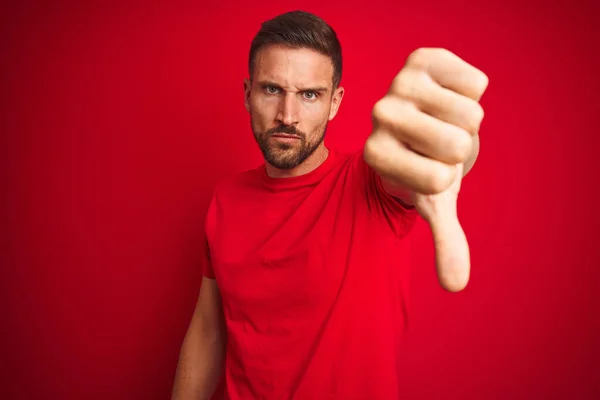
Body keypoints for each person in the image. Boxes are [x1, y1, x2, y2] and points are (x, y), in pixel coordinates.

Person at [171, 9, 488, 400]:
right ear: (247, 94)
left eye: (309, 95)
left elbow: (415, 168)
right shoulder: (226, 199)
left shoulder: (370, 181)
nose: (288, 116)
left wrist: (448, 145)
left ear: (335, 101)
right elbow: (208, 329)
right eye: (272, 90)